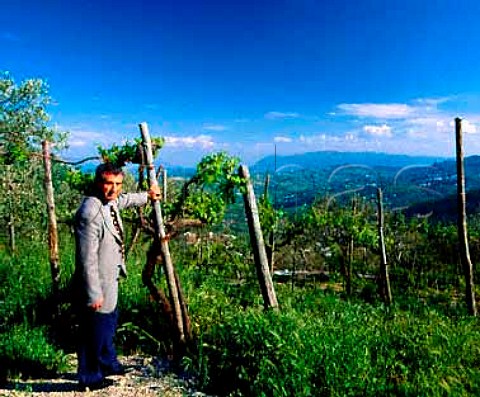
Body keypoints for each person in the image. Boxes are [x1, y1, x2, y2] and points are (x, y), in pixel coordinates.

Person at [73, 162, 160, 391]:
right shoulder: (89, 212)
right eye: (108, 183)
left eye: (118, 184)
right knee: (94, 328)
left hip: (110, 274)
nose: (114, 189)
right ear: (98, 183)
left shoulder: (109, 202)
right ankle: (90, 377)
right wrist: (93, 294)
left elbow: (122, 201)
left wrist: (147, 196)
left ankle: (107, 363)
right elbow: (86, 260)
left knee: (108, 322)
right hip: (97, 281)